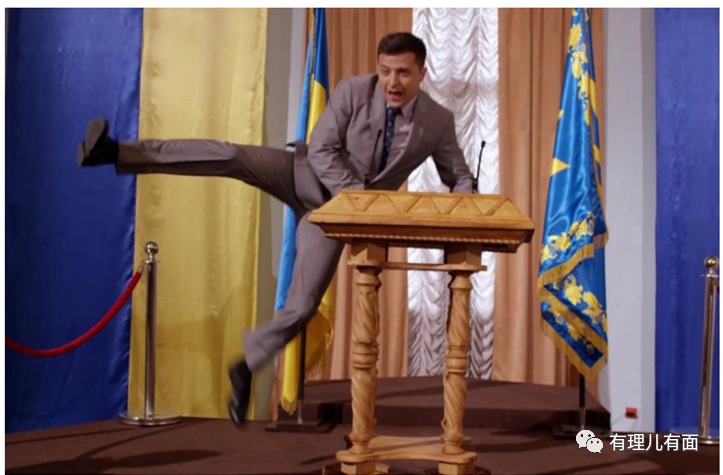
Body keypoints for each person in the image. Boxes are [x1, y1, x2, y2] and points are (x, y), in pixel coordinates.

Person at [78, 32, 474, 427]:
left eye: (403, 72)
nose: (392, 82)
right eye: (385, 71)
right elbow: (322, 147)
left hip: (331, 221)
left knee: (302, 306)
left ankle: (247, 364)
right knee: (232, 155)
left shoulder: (437, 122)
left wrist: (468, 202)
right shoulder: (354, 90)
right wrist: (355, 198)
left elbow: (458, 174)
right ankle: (115, 152)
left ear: (422, 73)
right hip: (300, 175)